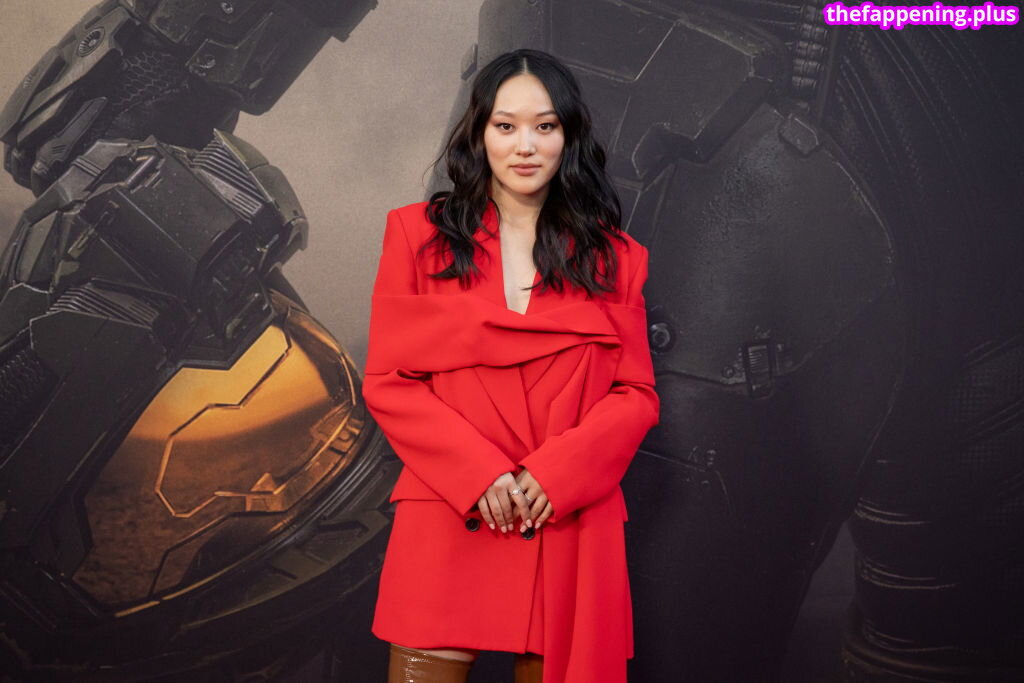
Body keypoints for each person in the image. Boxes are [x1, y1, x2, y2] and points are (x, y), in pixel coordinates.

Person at [362, 48, 659, 683]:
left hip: (567, 517)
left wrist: (559, 473)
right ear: (479, 132)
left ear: (568, 136)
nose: (525, 146)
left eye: (545, 126)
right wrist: (478, 471)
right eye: (506, 125)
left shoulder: (618, 259)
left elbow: (635, 393)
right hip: (450, 507)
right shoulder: (416, 236)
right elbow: (389, 381)